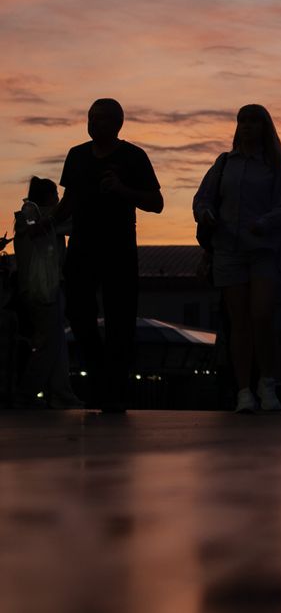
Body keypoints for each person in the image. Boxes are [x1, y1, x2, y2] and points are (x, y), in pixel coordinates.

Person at [54, 98, 163, 413]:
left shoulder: (133, 157)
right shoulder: (76, 156)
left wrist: (123, 190)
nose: (93, 123)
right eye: (90, 117)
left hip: (119, 249)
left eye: (101, 118)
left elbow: (157, 202)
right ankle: (101, 379)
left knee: (120, 320)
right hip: (82, 248)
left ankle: (113, 392)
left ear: (118, 123)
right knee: (78, 314)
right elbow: (69, 199)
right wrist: (47, 222)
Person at [193, 104, 281, 413]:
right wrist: (206, 214)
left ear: (265, 127)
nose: (247, 126)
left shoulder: (275, 166)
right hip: (229, 251)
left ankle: (267, 381)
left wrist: (263, 223)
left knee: (262, 316)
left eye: (254, 121)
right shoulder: (224, 163)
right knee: (239, 323)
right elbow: (202, 198)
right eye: (242, 121)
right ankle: (243, 391)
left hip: (263, 251)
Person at [13, 178, 83, 409]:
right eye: (55, 195)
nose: (59, 200)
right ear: (47, 198)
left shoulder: (28, 217)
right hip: (44, 289)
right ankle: (29, 392)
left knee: (56, 341)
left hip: (40, 288)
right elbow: (74, 223)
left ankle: (61, 393)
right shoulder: (38, 217)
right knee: (50, 344)